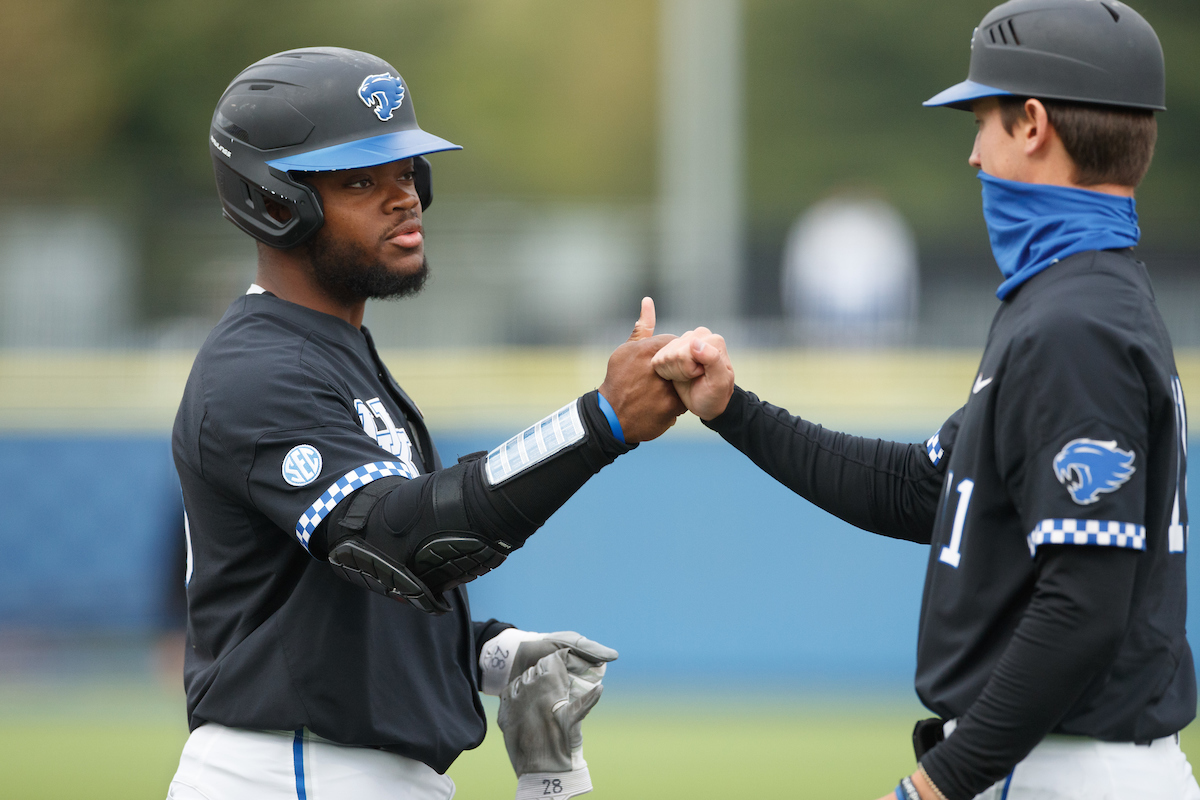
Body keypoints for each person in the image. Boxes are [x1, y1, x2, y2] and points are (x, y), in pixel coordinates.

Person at [653, 1, 1198, 798]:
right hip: (1059, 763)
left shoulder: (1078, 324)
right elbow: (922, 490)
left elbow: (1082, 610)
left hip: (1069, 769)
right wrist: (733, 409)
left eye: (982, 121)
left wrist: (937, 785)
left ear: (1034, 124)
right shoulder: (1071, 301)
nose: (974, 155)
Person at [168, 46, 683, 799]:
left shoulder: (330, 353)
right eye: (361, 181)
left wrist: (486, 656)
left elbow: (343, 602)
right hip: (292, 772)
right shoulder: (258, 370)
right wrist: (599, 422)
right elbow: (398, 545)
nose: (403, 197)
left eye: (407, 172)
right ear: (275, 202)